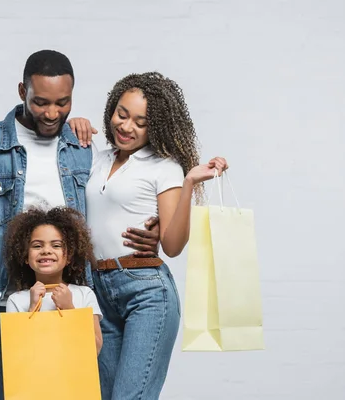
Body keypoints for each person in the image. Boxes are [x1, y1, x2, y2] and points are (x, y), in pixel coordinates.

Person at [0, 50, 159, 400]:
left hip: (77, 302)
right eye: (41, 102)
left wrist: (155, 228)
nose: (52, 114)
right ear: (22, 91)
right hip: (10, 302)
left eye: (62, 103)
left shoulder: (82, 145)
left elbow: (110, 200)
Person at [85, 71, 229, 399]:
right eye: (122, 114)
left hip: (145, 293)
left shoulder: (164, 168)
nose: (126, 126)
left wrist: (190, 182)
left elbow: (174, 245)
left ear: (157, 126)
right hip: (95, 292)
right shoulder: (96, 158)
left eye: (141, 122)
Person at [4, 206, 103, 354]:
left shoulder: (84, 294)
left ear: (69, 256)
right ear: (25, 256)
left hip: (75, 376)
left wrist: (69, 309)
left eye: (56, 245)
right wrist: (32, 309)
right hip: (33, 377)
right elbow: (15, 353)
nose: (46, 251)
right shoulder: (16, 300)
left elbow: (95, 349)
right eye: (37, 246)